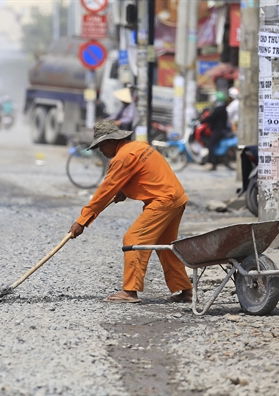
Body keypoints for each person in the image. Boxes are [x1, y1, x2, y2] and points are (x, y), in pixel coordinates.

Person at [69, 120, 193, 304]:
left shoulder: (122, 158)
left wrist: (82, 220)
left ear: (111, 141)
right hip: (176, 198)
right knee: (165, 245)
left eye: (102, 146)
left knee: (133, 239)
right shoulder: (139, 146)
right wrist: (124, 191)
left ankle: (130, 291)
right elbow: (144, 174)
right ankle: (185, 290)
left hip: (162, 201)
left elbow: (104, 193)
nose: (101, 151)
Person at [200, 91, 229, 171]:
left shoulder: (219, 109)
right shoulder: (221, 108)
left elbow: (211, 118)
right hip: (218, 129)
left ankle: (210, 162)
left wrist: (202, 121)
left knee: (211, 144)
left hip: (218, 130)